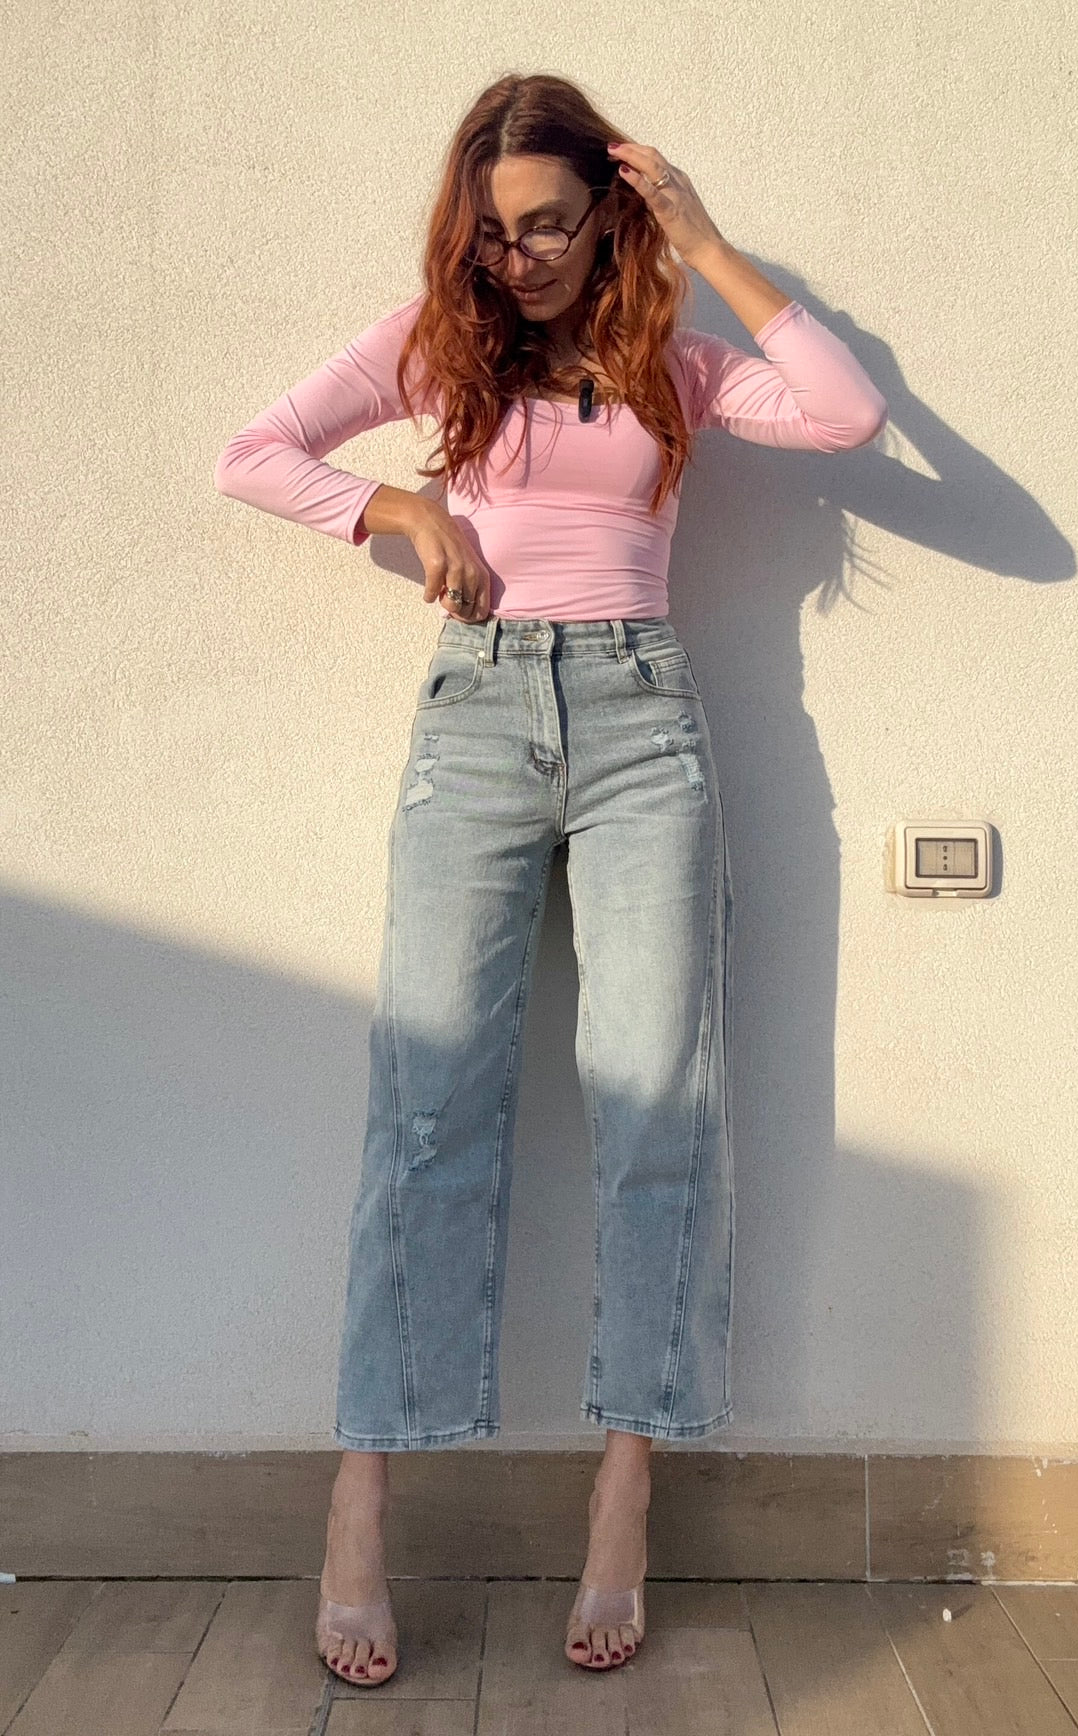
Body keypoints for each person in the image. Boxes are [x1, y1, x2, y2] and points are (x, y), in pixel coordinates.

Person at [214, 72, 887, 1688]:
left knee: (661, 1113)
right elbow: (253, 452)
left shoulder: (672, 358)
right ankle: (362, 1502)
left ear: (607, 218)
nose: (515, 259)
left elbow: (847, 413)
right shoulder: (436, 346)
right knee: (426, 1109)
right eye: (493, 231)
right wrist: (392, 502)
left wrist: (705, 243)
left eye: (548, 226)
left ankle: (624, 1492)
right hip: (478, 718)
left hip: (648, 725)